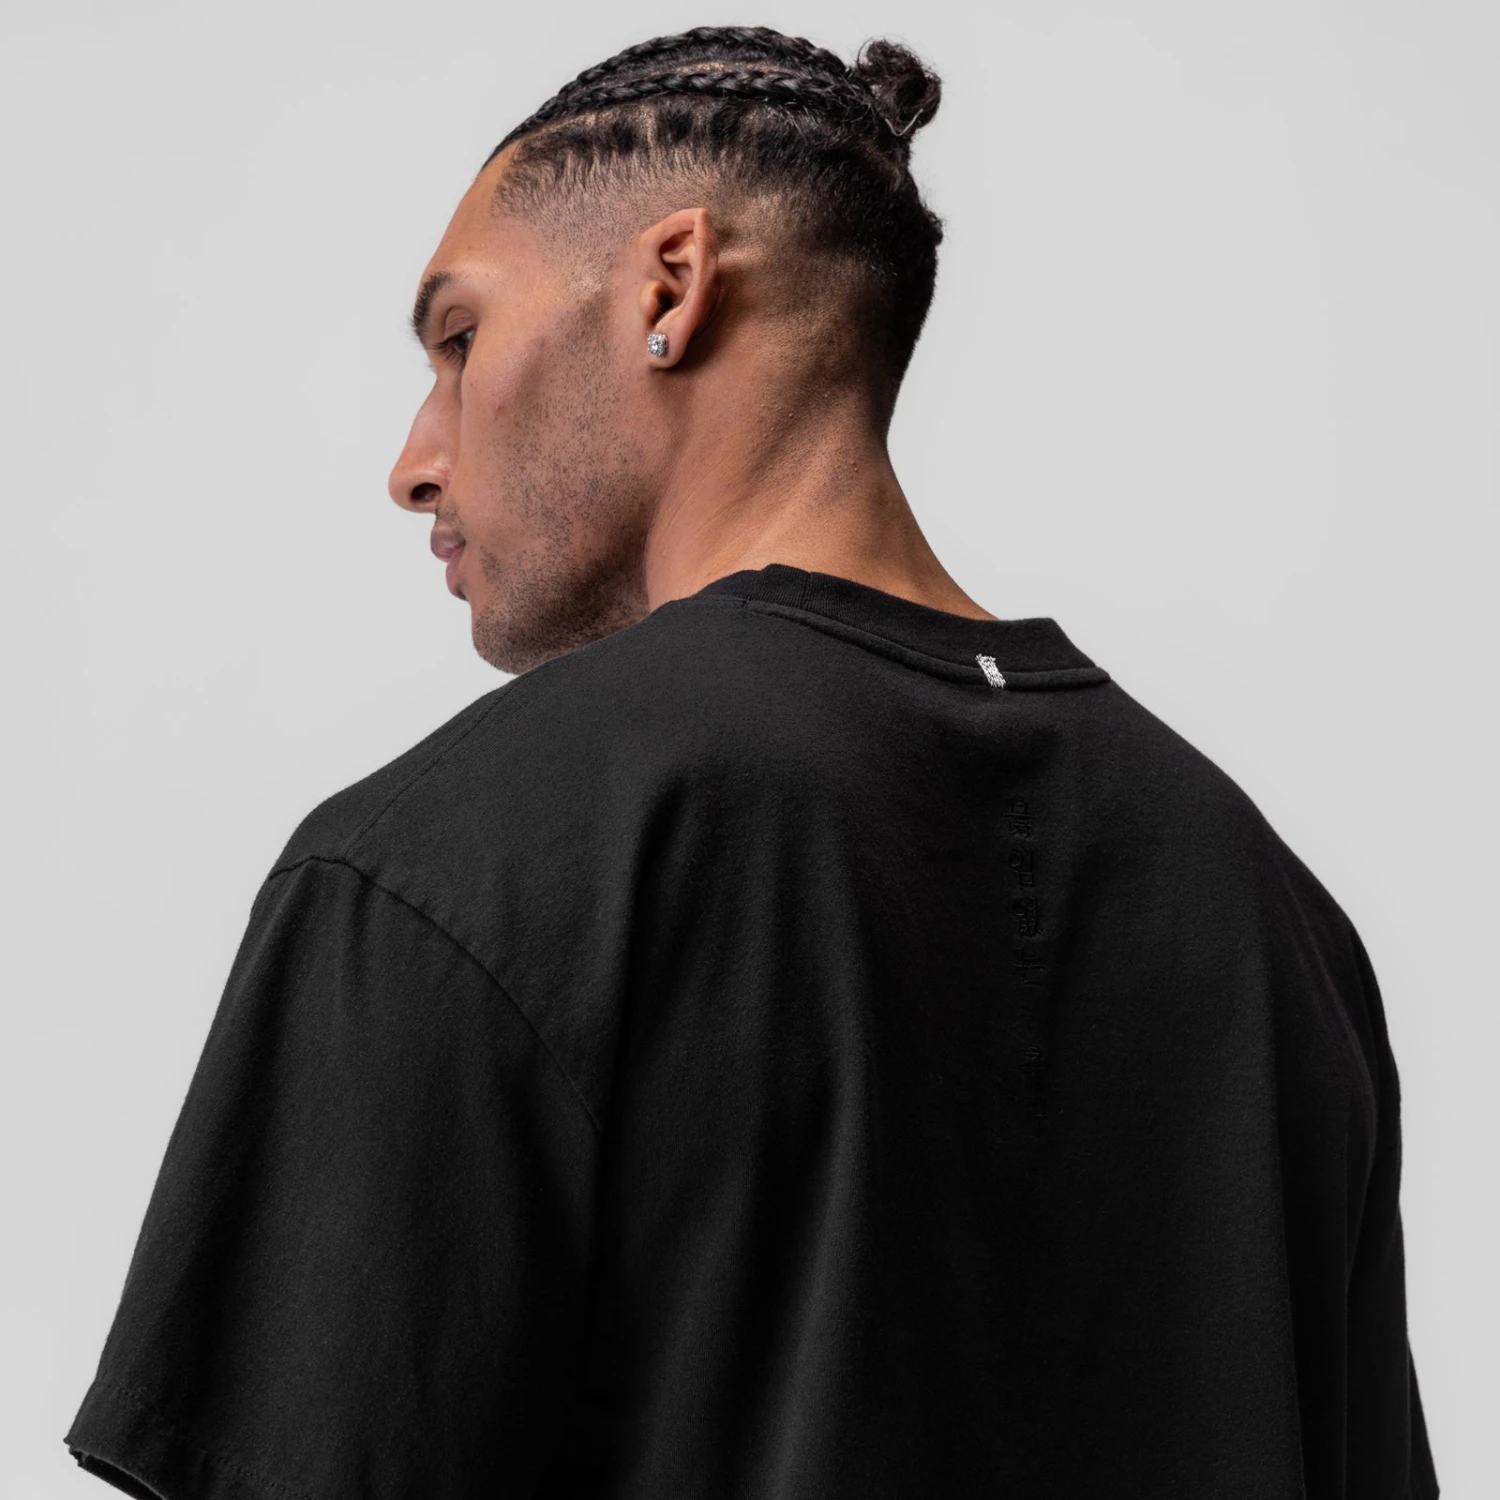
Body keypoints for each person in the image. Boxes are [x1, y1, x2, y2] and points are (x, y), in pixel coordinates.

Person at [62, 24, 1438, 1500]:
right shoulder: (1279, 927)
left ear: (671, 287)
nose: (415, 460)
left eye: (459, 340)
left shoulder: (451, 863)